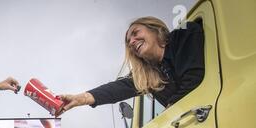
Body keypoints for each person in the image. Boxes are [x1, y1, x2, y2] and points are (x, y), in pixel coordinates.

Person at [55, 17, 205, 116]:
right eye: (128, 42)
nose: (132, 41)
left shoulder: (185, 33)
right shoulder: (148, 76)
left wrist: (168, 112)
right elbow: (116, 89)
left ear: (155, 29)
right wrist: (80, 99)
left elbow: (193, 78)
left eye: (135, 33)